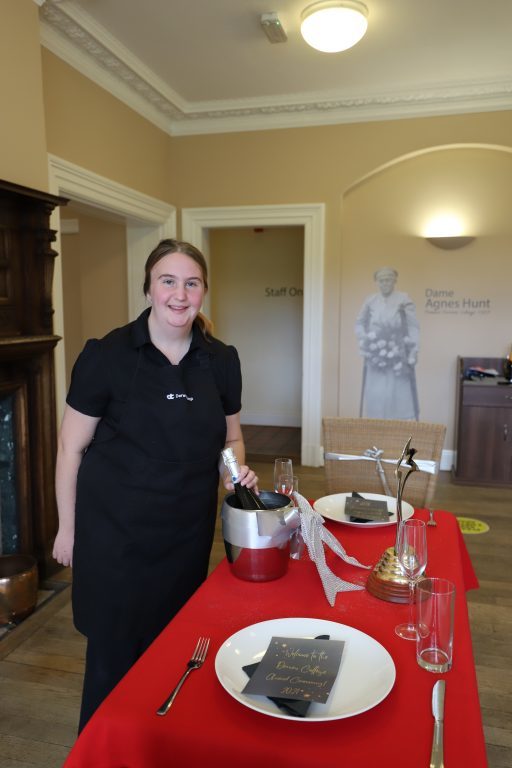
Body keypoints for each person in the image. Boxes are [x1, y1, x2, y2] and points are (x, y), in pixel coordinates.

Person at [52, 238, 258, 731]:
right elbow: (70, 449)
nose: (179, 294)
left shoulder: (221, 360)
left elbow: (230, 439)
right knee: (112, 661)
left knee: (173, 651)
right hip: (113, 536)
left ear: (204, 291)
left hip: (185, 533)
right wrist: (67, 529)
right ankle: (102, 754)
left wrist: (234, 472)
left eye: (191, 283)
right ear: (148, 287)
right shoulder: (107, 356)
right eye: (168, 281)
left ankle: (158, 745)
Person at [355, 267, 420, 420]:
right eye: (381, 280)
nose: (385, 284)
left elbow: (413, 325)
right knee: (376, 391)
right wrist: (365, 338)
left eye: (388, 280)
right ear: (377, 282)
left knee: (398, 390)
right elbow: (360, 322)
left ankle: (400, 424)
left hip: (398, 351)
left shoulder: (403, 299)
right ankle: (376, 422)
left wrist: (414, 349)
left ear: (394, 281)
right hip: (376, 352)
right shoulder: (370, 300)